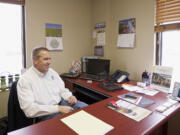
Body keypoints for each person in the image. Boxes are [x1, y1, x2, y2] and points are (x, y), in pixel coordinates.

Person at [17, 46, 88, 122]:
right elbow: (30, 110)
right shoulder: (25, 80)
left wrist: (69, 96)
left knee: (86, 108)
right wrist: (58, 109)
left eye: (49, 59)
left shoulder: (52, 72)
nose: (49, 62)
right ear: (35, 60)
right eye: (45, 59)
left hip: (62, 103)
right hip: (45, 113)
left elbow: (62, 90)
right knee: (71, 122)